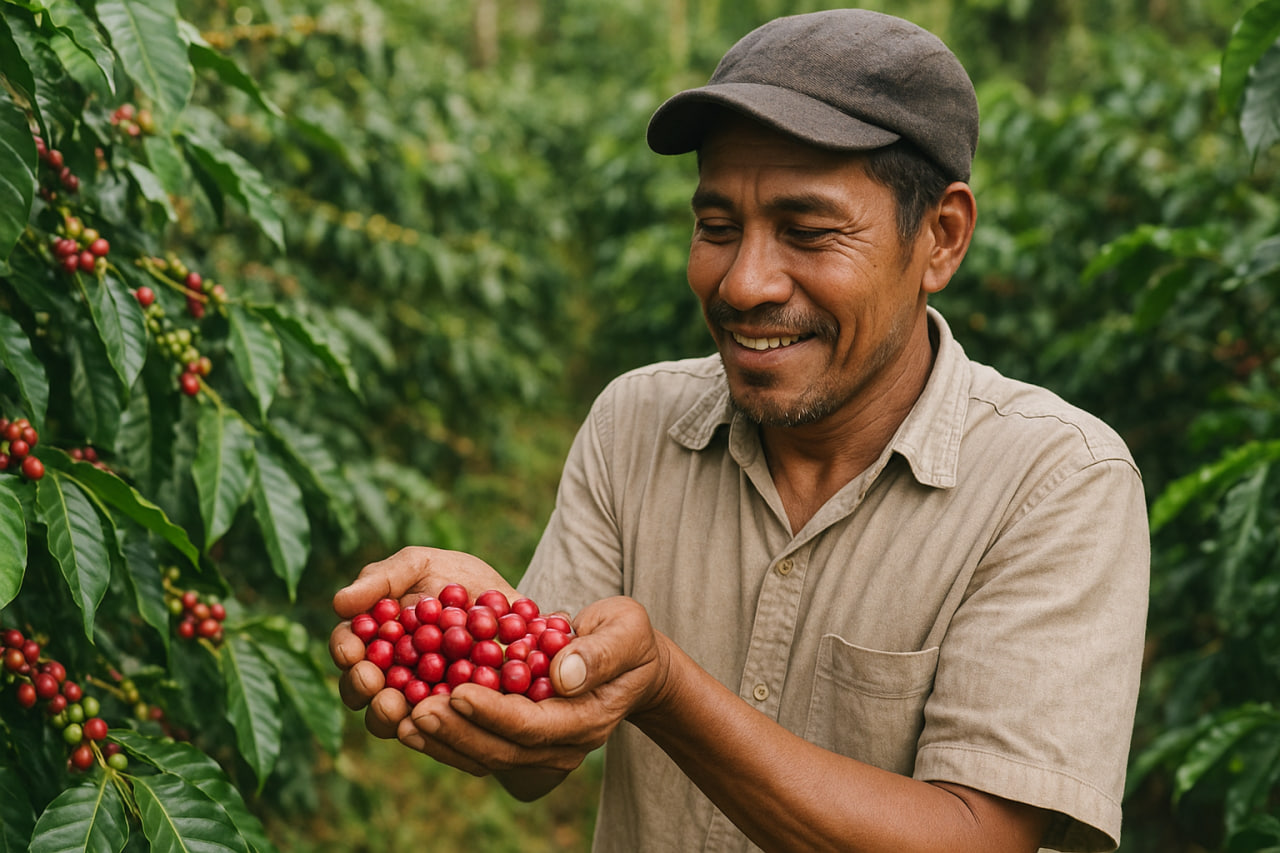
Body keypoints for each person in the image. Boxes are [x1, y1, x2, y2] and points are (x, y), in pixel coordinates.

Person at [329, 9, 1150, 852]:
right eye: (717, 228)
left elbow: (976, 838)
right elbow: (543, 756)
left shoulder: (1056, 481)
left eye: (808, 232)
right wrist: (495, 649)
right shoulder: (634, 422)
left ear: (940, 237)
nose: (745, 282)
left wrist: (666, 689)